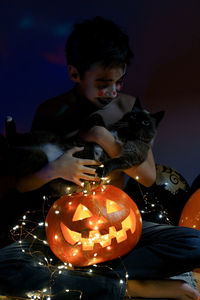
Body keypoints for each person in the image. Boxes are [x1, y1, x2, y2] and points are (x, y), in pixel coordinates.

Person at [1, 16, 200, 300]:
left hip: (121, 223)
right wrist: (55, 169)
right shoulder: (51, 112)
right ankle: (130, 285)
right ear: (74, 74)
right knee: (5, 266)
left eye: (120, 82)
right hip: (65, 231)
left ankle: (82, 277)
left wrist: (102, 136)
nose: (113, 91)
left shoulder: (129, 107)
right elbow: (23, 184)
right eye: (104, 83)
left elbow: (147, 176)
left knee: (195, 242)